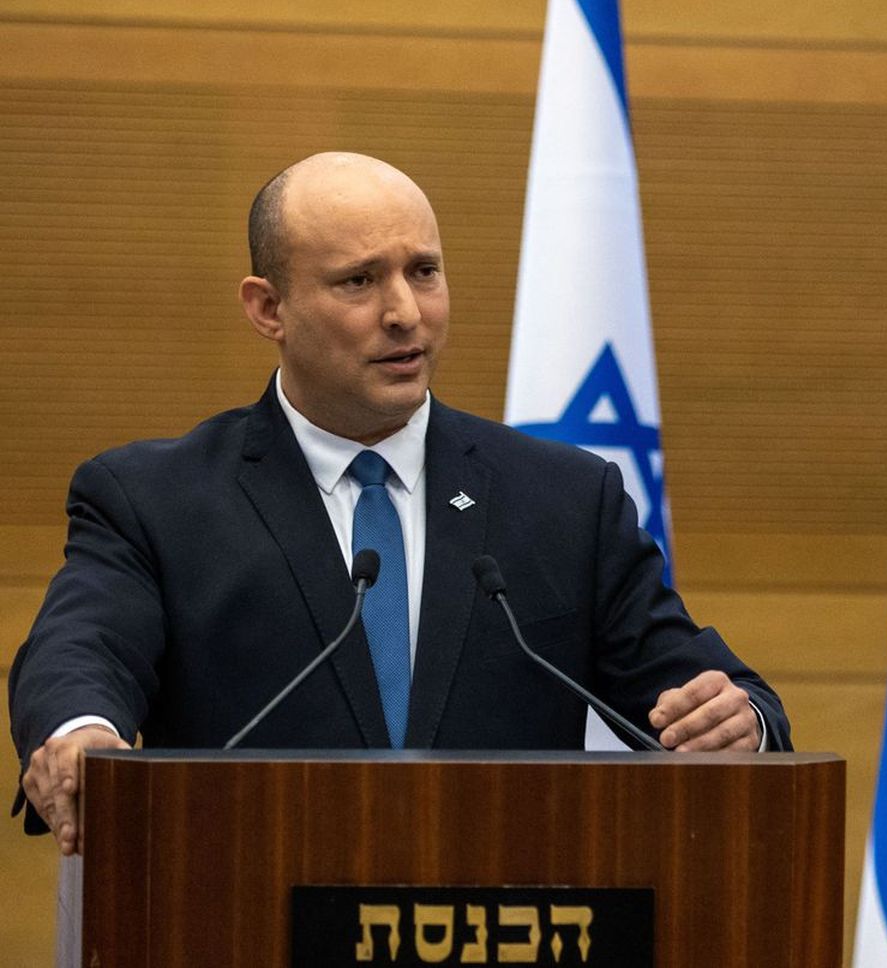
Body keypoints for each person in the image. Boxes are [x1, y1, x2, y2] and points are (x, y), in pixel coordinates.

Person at [10, 152, 790, 855]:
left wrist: (741, 725)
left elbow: (706, 694)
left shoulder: (564, 500)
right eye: (359, 280)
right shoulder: (155, 499)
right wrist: (82, 734)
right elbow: (83, 648)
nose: (405, 313)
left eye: (424, 271)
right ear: (267, 308)